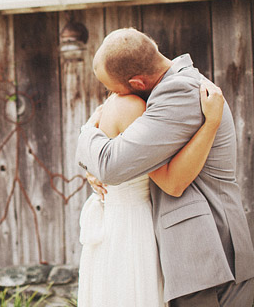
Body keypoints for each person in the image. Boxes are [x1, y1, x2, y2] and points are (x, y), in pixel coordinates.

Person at [76, 28, 254, 306]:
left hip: (210, 252)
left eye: (112, 89)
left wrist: (87, 131)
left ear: (136, 83)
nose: (111, 97)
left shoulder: (179, 91)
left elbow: (115, 168)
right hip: (197, 255)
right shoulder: (165, 90)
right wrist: (92, 168)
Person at [78, 82, 223, 307]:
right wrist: (211, 123)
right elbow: (171, 181)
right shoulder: (134, 107)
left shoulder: (108, 106)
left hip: (111, 223)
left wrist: (91, 168)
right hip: (133, 223)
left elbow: (95, 146)